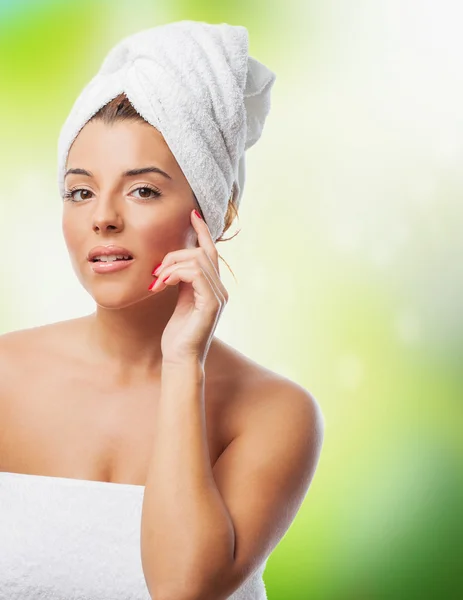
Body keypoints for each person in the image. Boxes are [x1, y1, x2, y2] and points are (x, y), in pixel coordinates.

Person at [0, 20, 325, 600]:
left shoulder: (277, 414)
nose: (103, 217)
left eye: (142, 190)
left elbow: (182, 590)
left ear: (216, 214)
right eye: (80, 191)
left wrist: (182, 366)